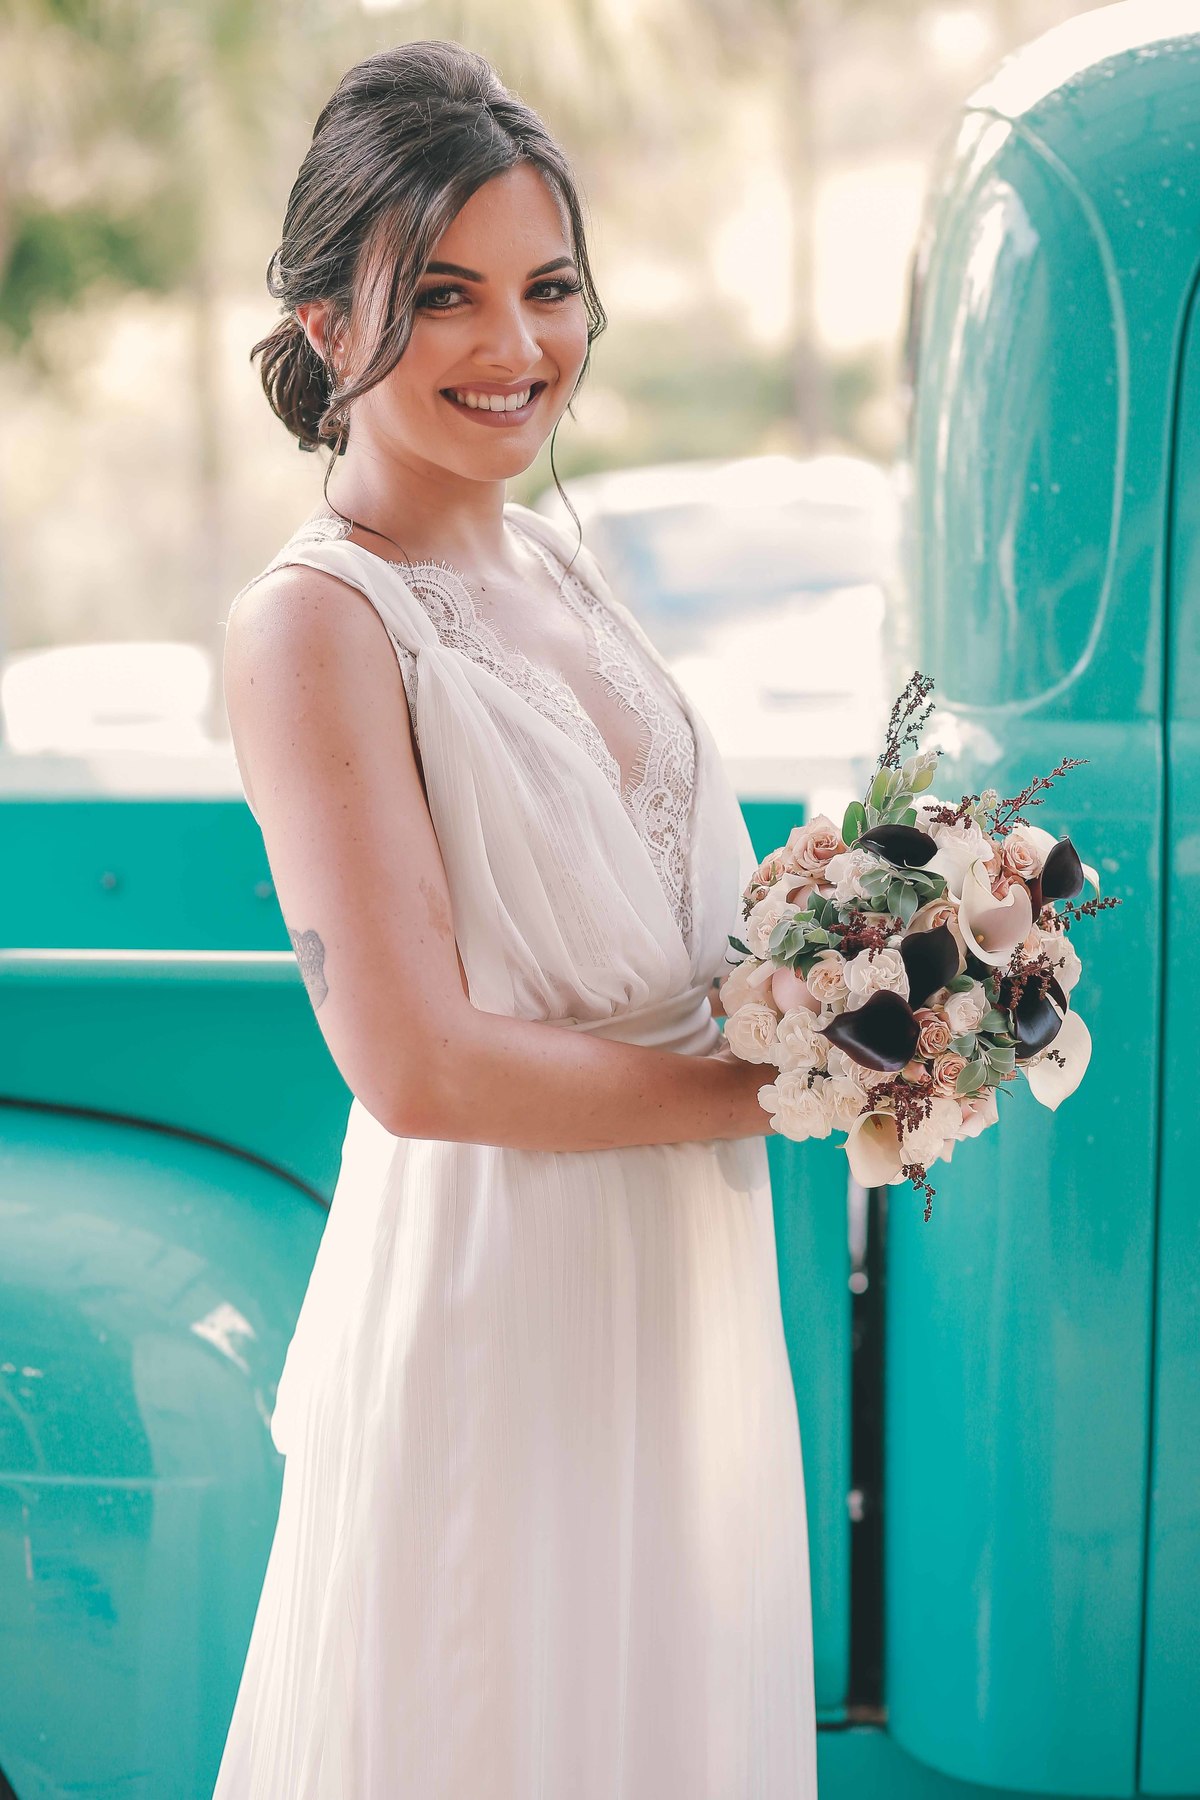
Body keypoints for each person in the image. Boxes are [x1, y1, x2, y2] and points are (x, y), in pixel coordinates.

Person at [212, 37, 817, 1800]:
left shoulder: (548, 552)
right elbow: (415, 1064)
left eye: (549, 290)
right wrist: (773, 1089)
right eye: (448, 297)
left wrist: (858, 955)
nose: (519, 348)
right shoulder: (318, 624)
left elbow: (632, 913)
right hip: (503, 1294)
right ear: (329, 325)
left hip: (674, 1286)